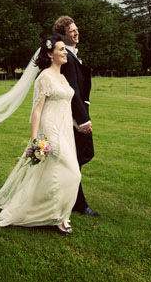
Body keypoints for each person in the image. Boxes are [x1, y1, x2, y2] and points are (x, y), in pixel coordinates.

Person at [0, 35, 81, 234]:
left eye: (64, 49)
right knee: (73, 173)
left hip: (66, 129)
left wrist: (77, 124)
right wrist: (35, 141)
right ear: (50, 54)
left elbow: (65, 103)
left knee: (55, 173)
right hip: (51, 130)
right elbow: (37, 110)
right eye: (61, 49)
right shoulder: (44, 77)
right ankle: (57, 216)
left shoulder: (62, 77)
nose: (65, 52)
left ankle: (57, 214)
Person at [53, 16, 100, 217]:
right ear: (62, 35)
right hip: (72, 118)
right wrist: (82, 120)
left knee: (78, 158)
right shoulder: (67, 58)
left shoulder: (71, 56)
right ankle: (78, 203)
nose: (76, 32)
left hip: (79, 112)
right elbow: (72, 91)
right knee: (80, 157)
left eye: (76, 29)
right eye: (72, 30)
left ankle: (72, 198)